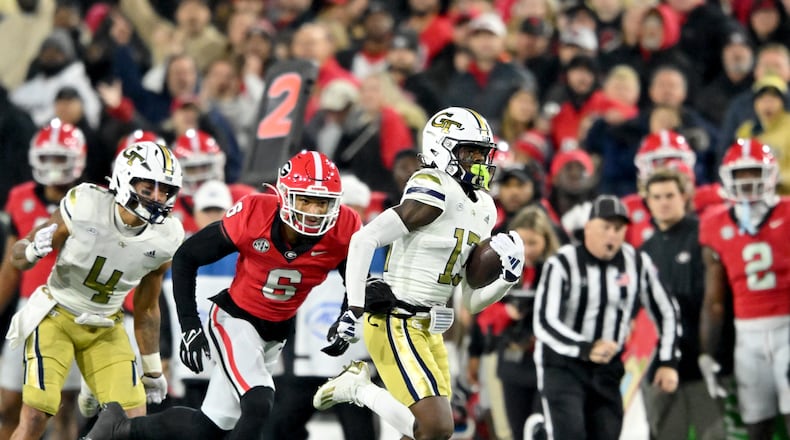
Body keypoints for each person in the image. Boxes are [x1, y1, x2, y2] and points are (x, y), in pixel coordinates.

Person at [86, 150, 362, 440]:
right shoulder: (256, 215)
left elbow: (354, 277)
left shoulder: (345, 226)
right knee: (258, 401)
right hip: (236, 318)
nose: (313, 212)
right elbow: (186, 258)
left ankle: (120, 428)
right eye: (305, 200)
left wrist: (349, 313)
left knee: (208, 427)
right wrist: (190, 326)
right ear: (283, 195)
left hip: (276, 331)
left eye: (322, 203)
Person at [312, 107, 526, 440]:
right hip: (395, 320)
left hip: (430, 328)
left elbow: (471, 303)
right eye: (470, 152)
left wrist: (506, 279)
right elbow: (364, 239)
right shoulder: (434, 185)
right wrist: (353, 309)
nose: (480, 161)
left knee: (421, 434)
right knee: (435, 426)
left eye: (483, 153)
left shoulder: (485, 206)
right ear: (441, 147)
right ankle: (357, 387)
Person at [5, 141, 184, 440]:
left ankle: (96, 383)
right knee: (37, 414)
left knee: (131, 422)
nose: (157, 198)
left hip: (105, 324)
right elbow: (17, 257)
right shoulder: (86, 203)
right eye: (148, 187)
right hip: (56, 315)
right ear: (125, 180)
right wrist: (33, 249)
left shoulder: (167, 237)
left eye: (164, 190)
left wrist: (152, 367)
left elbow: (147, 306)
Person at [532, 195, 680, 440]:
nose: (612, 235)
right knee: (571, 433)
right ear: (589, 227)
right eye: (606, 227)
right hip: (564, 364)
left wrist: (668, 361)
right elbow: (545, 321)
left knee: (607, 433)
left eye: (618, 228)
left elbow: (667, 310)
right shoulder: (562, 262)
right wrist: (585, 347)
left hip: (607, 368)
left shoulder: (637, 263)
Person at [0, 120, 87, 440]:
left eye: (60, 158)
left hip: (73, 308)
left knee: (62, 407)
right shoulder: (20, 197)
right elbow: (10, 266)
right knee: (9, 401)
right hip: (28, 309)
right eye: (47, 158)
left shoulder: (90, 200)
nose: (52, 167)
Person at [699, 139, 790, 440]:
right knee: (756, 422)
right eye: (742, 174)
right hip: (747, 335)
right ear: (728, 177)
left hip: (788, 326)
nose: (749, 180)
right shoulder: (714, 223)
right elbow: (714, 301)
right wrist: (707, 353)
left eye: (754, 172)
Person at [640, 170, 724, 439]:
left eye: (669, 195)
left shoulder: (703, 236)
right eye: (657, 197)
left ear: (684, 197)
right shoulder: (644, 250)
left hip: (699, 360)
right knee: (665, 433)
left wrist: (711, 351)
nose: (664, 202)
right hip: (660, 364)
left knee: (711, 433)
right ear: (648, 202)